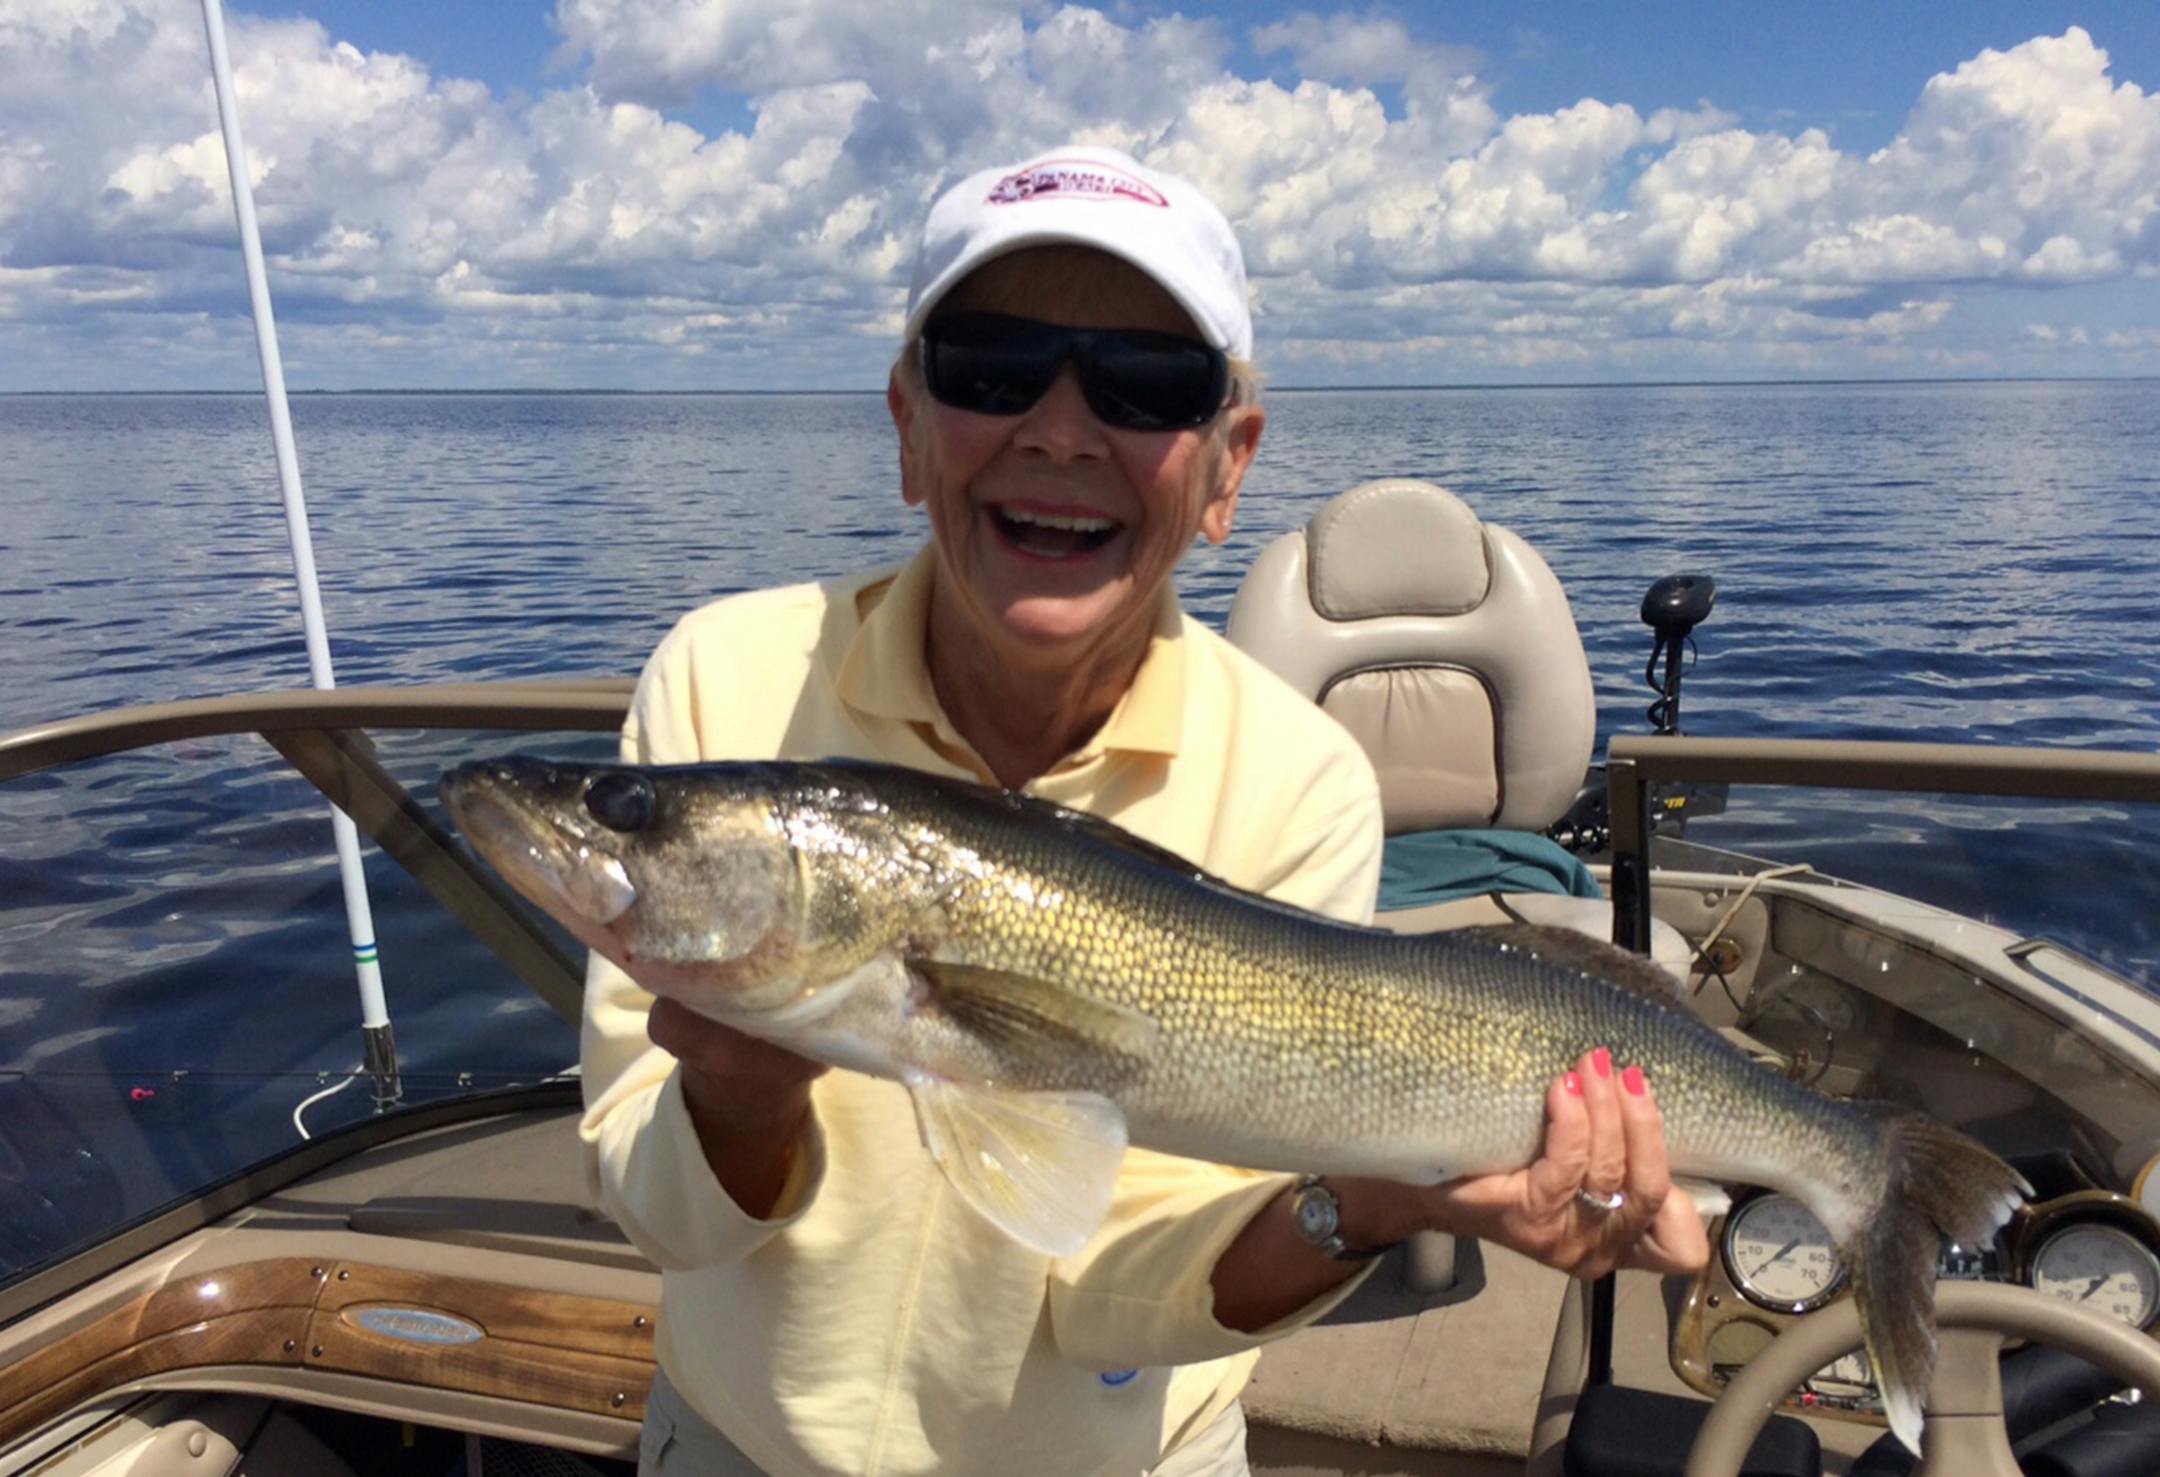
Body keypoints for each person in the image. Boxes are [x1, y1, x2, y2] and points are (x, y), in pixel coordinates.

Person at [579, 144, 1708, 1477]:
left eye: (1147, 385)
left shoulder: (1298, 779)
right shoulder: (723, 680)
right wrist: (740, 1102)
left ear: (1230, 468)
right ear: (907, 425)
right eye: (992, 367)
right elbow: (655, 1212)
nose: (1060, 431)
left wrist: (1383, 1198)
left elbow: (1115, 1298)